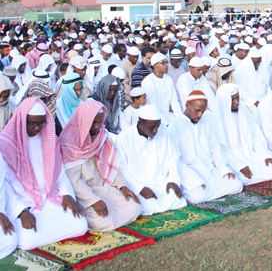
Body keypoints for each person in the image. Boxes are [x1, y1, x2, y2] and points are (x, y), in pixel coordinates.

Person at [0, 98, 87, 250]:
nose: (37, 128)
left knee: (80, 224)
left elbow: (59, 172)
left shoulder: (51, 140)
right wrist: (20, 211)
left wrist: (67, 195)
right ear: (21, 120)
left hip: (49, 198)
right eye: (32, 123)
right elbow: (4, 184)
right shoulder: (6, 143)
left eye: (41, 123)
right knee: (27, 240)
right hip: (25, 202)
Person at [59, 101, 141, 231]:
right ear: (84, 121)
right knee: (102, 221)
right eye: (93, 123)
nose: (97, 127)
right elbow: (74, 182)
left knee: (134, 206)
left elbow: (112, 165)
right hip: (84, 194)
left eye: (100, 122)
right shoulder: (68, 143)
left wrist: (122, 186)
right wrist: (93, 200)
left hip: (103, 187)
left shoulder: (101, 136)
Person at [168, 91, 243, 204]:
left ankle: (209, 192)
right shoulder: (175, 126)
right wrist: (195, 181)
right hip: (190, 174)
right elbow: (177, 161)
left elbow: (215, 150)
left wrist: (223, 169)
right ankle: (200, 192)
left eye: (203, 112)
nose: (200, 115)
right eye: (197, 110)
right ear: (187, 105)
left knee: (237, 185)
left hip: (209, 171)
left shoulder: (206, 123)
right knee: (198, 197)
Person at [115, 105, 187, 215]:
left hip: (161, 182)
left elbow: (173, 158)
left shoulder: (162, 130)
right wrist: (140, 188)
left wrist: (173, 180)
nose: (155, 130)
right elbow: (123, 170)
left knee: (177, 199)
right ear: (140, 123)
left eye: (157, 126)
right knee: (146, 207)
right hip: (138, 183)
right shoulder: (123, 139)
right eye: (152, 127)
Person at [214, 84, 272, 185]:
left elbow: (257, 138)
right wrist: (239, 166)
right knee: (244, 178)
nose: (236, 102)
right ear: (224, 101)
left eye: (237, 98)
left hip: (252, 156)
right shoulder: (216, 121)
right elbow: (220, 152)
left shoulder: (244, 111)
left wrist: (265, 156)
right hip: (233, 160)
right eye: (233, 99)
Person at [141, 53, 181, 122]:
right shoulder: (148, 82)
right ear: (155, 65)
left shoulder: (169, 79)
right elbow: (152, 105)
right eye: (163, 63)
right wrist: (165, 122)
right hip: (154, 118)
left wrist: (180, 118)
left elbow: (174, 101)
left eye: (166, 62)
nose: (166, 65)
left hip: (169, 115)